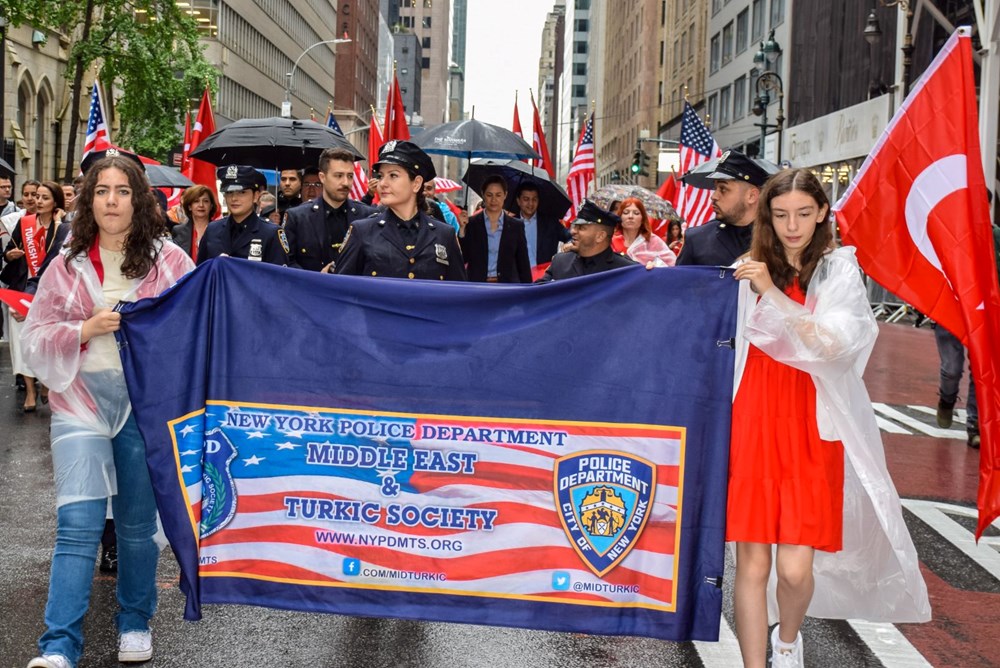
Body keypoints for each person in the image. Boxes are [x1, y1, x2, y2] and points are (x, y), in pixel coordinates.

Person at [728, 169, 929, 668]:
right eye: (779, 215)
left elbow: (833, 343)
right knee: (751, 563)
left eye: (802, 213)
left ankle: (788, 642)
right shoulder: (745, 268)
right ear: (765, 217)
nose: (791, 225)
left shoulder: (838, 269)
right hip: (752, 418)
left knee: (795, 569)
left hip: (811, 425)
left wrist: (772, 292)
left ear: (821, 213)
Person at [22, 154, 196, 668]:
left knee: (138, 529)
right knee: (77, 524)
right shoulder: (67, 264)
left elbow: (195, 332)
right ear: (88, 200)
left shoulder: (172, 263)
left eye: (122, 190)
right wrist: (84, 329)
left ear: (138, 200)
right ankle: (57, 646)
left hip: (144, 412)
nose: (112, 200)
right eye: (102, 191)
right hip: (80, 406)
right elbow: (33, 339)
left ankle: (135, 621)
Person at [335, 140, 466, 281]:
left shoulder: (444, 234)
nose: (383, 183)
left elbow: (457, 293)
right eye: (380, 176)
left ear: (416, 184)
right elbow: (340, 289)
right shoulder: (362, 231)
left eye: (393, 175)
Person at [3, 181, 66, 412]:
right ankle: (30, 391)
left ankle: (46, 383)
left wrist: (60, 224)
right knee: (21, 342)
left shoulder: (63, 228)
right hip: (21, 288)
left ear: (55, 202)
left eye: (44, 198)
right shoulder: (25, 222)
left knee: (47, 343)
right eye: (36, 197)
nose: (38, 201)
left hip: (49, 293)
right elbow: (9, 250)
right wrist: (10, 254)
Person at [284, 148, 377, 272]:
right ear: (322, 177)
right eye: (338, 176)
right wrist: (317, 279)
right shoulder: (297, 217)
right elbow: (286, 263)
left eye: (350, 176)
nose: (346, 182)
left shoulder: (366, 216)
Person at [677, 150, 769, 266]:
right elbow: (678, 281)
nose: (714, 196)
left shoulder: (778, 238)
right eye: (716, 188)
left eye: (723, 189)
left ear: (751, 196)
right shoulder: (697, 240)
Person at [197, 165, 289, 266]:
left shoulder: (270, 233)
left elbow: (279, 277)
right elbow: (201, 272)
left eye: (242, 192)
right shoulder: (212, 230)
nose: (234, 198)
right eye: (229, 192)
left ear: (256, 196)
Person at [536, 201, 636, 282]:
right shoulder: (560, 262)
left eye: (581, 228)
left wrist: (650, 272)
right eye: (575, 226)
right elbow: (536, 296)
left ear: (600, 236)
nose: (572, 231)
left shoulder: (625, 270)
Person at [460, 175, 531, 283]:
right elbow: (462, 258)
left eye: (498, 195)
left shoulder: (516, 226)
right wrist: (461, 229)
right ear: (483, 195)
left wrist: (528, 293)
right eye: (489, 195)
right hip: (477, 286)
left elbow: (523, 264)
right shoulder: (472, 223)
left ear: (505, 195)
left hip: (506, 288)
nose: (494, 200)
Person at [514, 182, 572, 267]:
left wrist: (569, 244)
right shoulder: (509, 224)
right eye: (526, 199)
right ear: (518, 201)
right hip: (518, 277)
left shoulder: (550, 222)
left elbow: (569, 235)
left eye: (534, 199)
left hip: (544, 275)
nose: (531, 204)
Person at [611, 197, 676, 267]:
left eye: (636, 213)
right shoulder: (610, 241)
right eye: (626, 212)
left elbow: (673, 263)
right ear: (620, 217)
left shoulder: (653, 241)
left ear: (642, 219)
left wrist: (656, 265)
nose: (630, 216)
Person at [171, 185, 218, 262]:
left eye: (205, 201)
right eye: (196, 201)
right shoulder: (178, 231)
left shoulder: (221, 230)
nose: (201, 205)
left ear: (211, 206)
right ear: (189, 206)